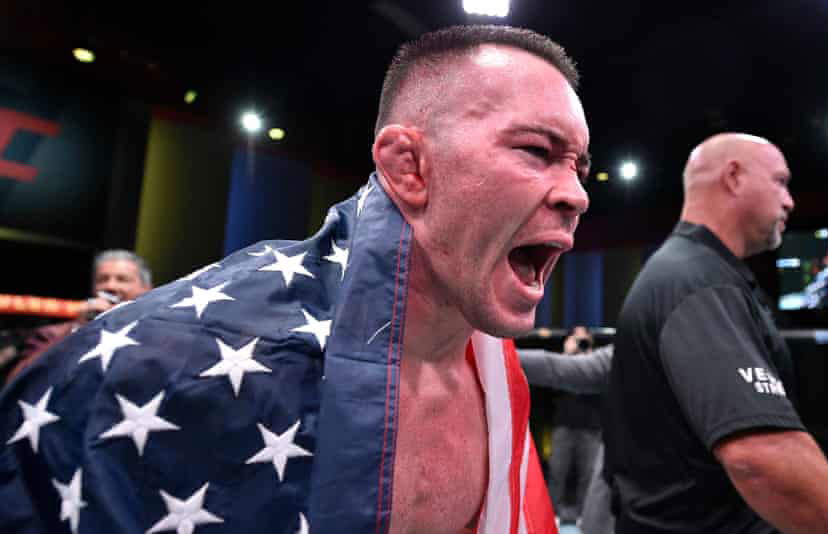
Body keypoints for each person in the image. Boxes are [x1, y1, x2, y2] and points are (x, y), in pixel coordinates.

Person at [0, 25, 590, 534]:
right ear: (409, 167)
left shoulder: (493, 371)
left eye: (580, 167)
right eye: (536, 150)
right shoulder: (169, 364)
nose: (577, 195)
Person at [603, 133, 828, 533]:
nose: (790, 201)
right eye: (780, 182)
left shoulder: (694, 272)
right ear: (733, 177)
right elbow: (760, 456)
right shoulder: (697, 280)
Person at [4, 249, 152, 384]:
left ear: (146, 289)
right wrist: (77, 330)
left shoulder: (156, 333)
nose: (110, 286)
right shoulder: (52, 334)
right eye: (102, 279)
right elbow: (18, 382)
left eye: (122, 279)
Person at [518, 327, 615, 533]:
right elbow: (555, 375)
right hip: (563, 425)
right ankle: (551, 515)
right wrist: (568, 355)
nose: (581, 342)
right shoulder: (570, 360)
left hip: (592, 428)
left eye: (584, 339)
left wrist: (587, 357)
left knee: (588, 476)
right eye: (576, 338)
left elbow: (598, 385)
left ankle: (582, 516)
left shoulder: (606, 363)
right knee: (557, 472)